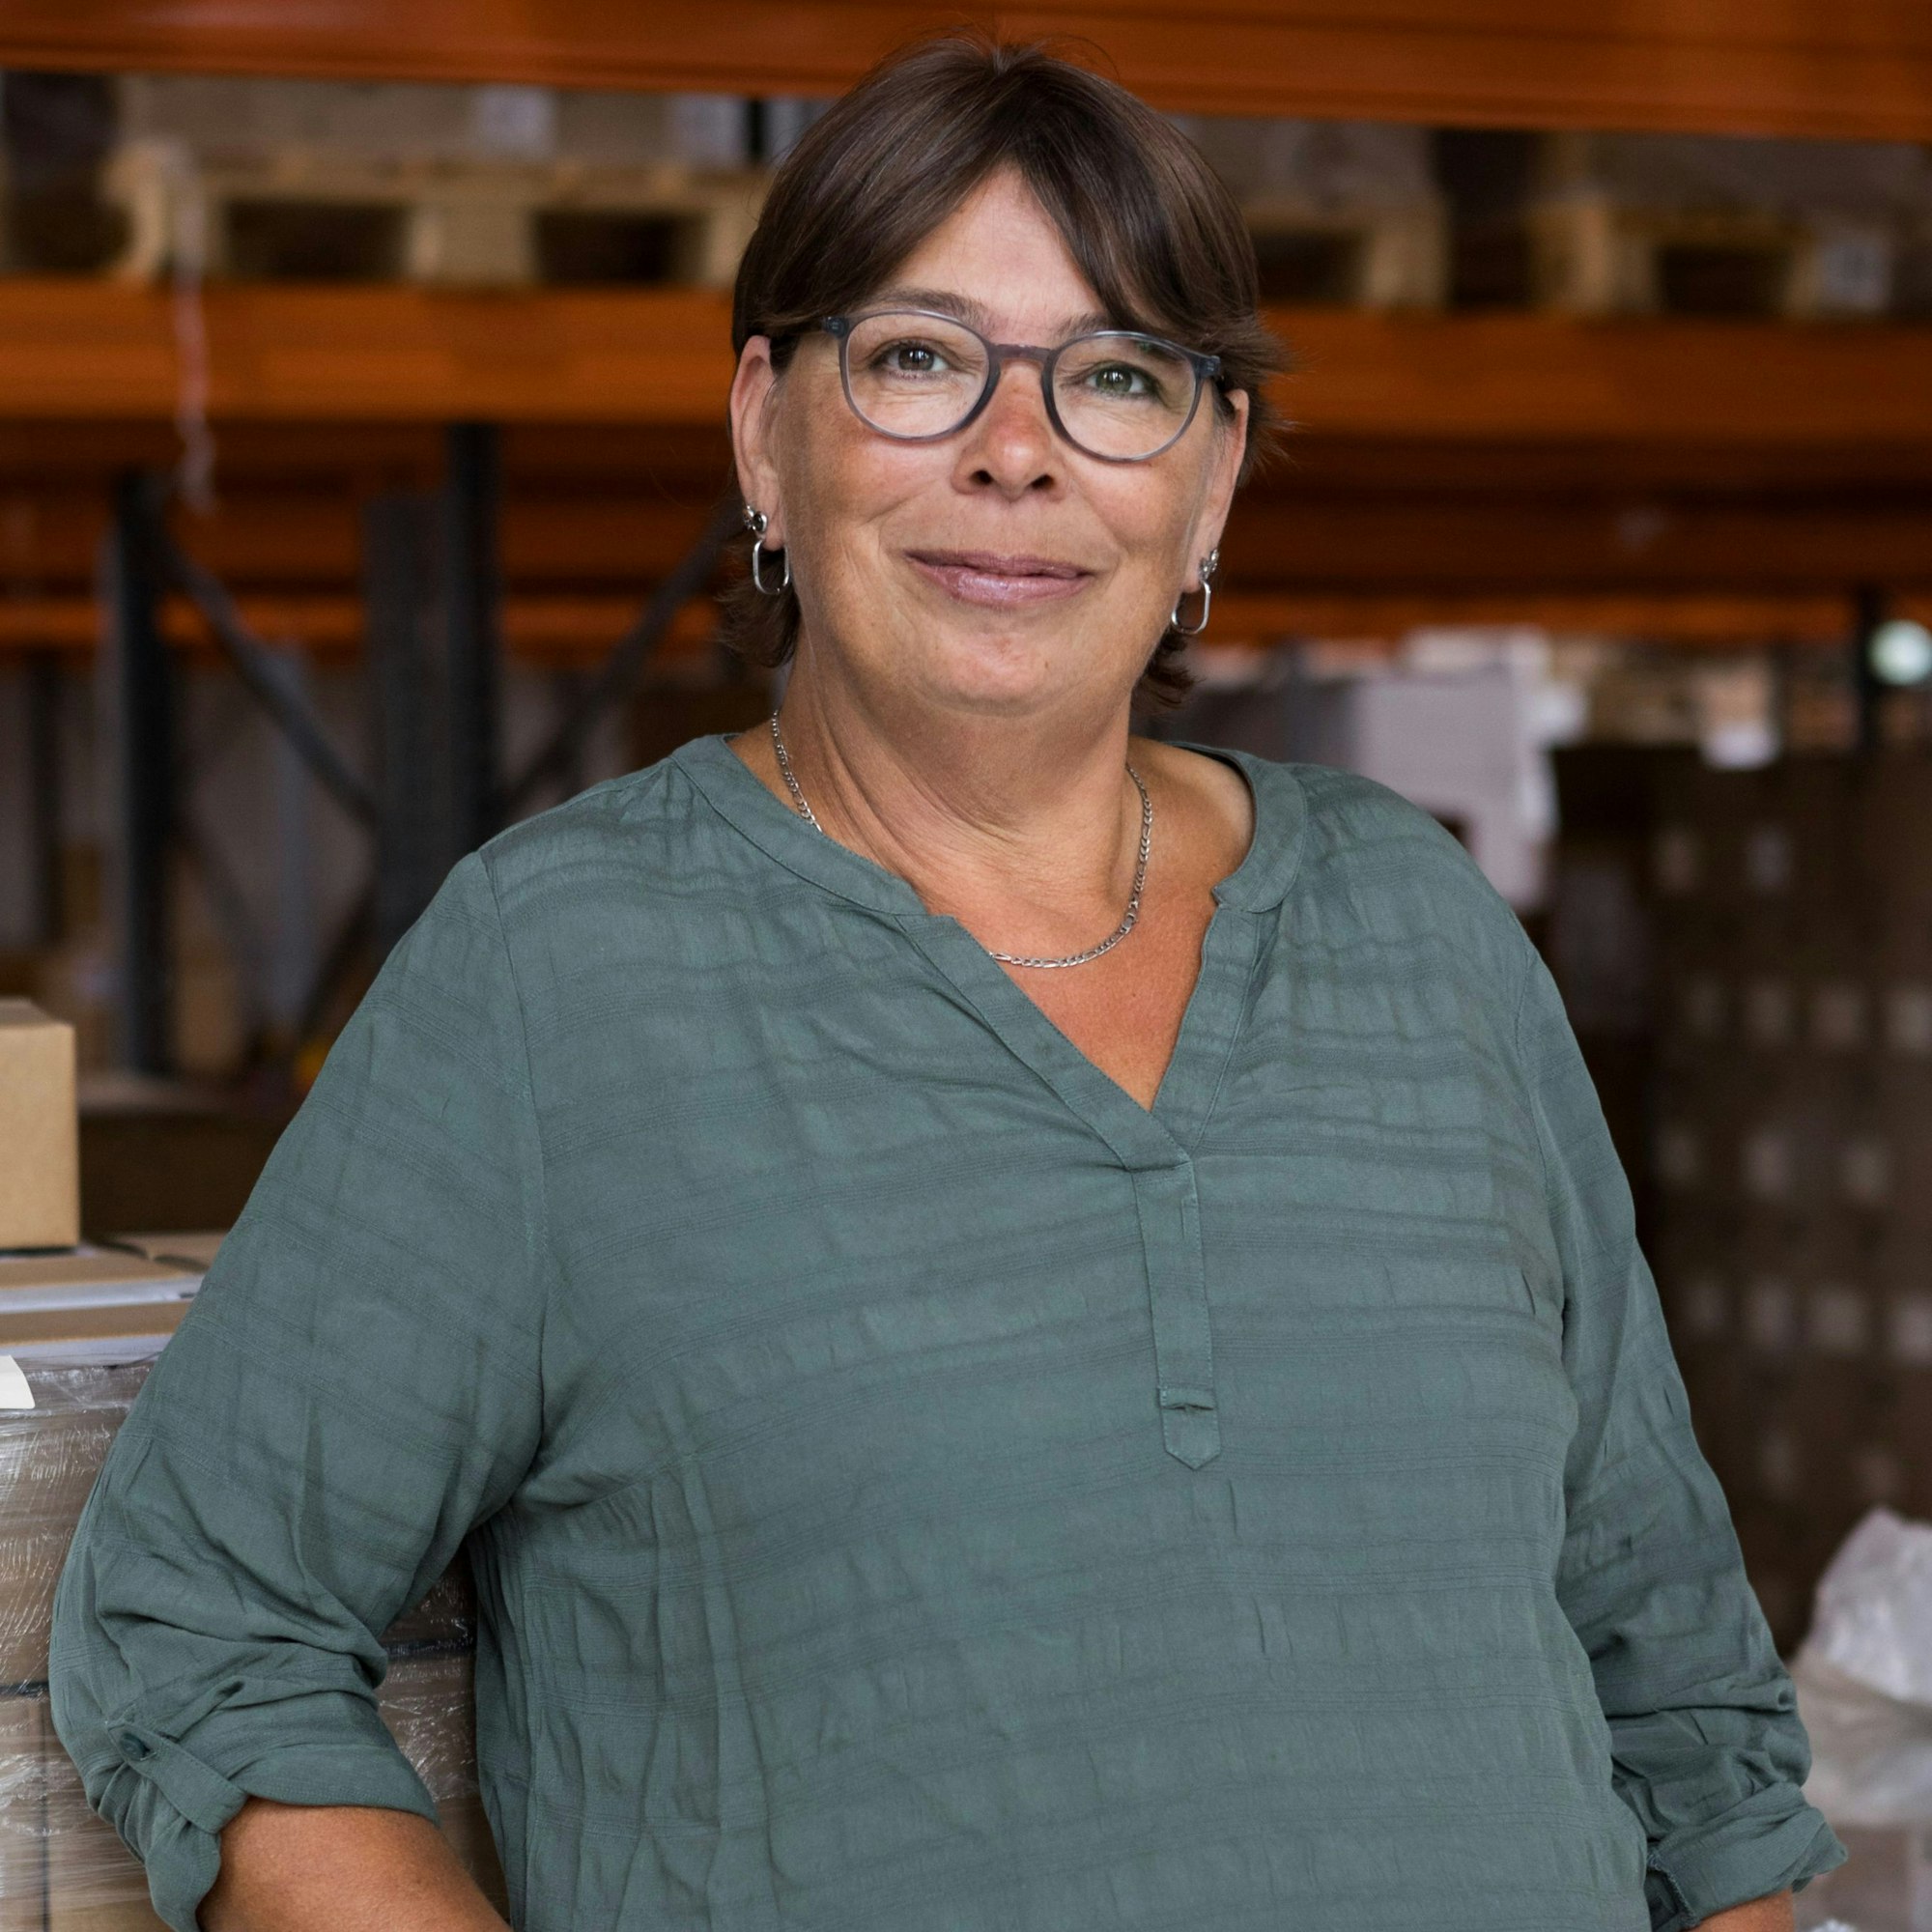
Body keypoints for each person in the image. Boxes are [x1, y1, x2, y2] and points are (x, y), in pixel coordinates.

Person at [51, 34, 1841, 1932]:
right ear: (764, 429)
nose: (1018, 450)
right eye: (919, 359)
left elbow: (1681, 1702)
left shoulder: (1418, 926)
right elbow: (198, 1620)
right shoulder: (556, 976)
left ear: (1212, 479)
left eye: (1119, 377)